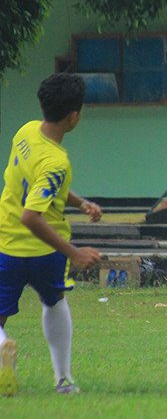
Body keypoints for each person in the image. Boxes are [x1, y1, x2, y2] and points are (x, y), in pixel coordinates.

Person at [0, 73, 103, 396]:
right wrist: (74, 252)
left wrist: (80, 202)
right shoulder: (57, 161)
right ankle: (63, 380)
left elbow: (40, 188)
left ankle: (2, 347)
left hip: (7, 246)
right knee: (55, 303)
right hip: (46, 252)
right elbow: (32, 216)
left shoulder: (25, 133)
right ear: (73, 117)